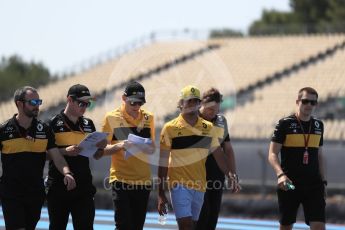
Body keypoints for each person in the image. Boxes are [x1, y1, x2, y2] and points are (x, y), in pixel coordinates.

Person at [157, 85, 240, 230]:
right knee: (186, 226)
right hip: (179, 184)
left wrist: (230, 175)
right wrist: (161, 193)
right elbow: (163, 162)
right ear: (181, 103)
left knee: (198, 225)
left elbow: (220, 154)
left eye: (195, 101)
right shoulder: (169, 128)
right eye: (189, 101)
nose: (192, 105)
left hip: (200, 185)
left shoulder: (208, 127)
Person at [0, 86, 76, 230]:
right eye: (33, 102)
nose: (37, 106)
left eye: (38, 102)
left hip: (35, 192)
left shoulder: (45, 130)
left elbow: (56, 157)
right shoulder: (3, 130)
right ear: (19, 104)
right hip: (11, 192)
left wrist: (67, 173)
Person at [95, 81, 155, 230]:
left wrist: (145, 146)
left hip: (143, 181)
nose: (136, 107)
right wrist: (120, 146)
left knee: (137, 227)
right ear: (123, 98)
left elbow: (152, 148)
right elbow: (100, 151)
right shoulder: (111, 117)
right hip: (120, 179)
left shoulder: (149, 117)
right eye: (133, 102)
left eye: (140, 103)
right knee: (123, 225)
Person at [46, 84, 107, 230]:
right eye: (81, 103)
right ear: (69, 100)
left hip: (84, 187)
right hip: (59, 187)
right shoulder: (51, 123)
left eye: (88, 103)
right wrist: (64, 151)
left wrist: (101, 147)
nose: (85, 107)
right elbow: (43, 156)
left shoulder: (88, 124)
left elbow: (97, 156)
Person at [268, 87, 326, 230]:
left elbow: (319, 155)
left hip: (314, 184)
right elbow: (272, 153)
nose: (309, 105)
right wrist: (280, 175)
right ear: (297, 101)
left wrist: (323, 181)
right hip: (290, 183)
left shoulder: (319, 125)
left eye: (313, 102)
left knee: (319, 225)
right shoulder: (285, 124)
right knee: (286, 225)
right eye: (305, 101)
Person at [196, 88, 240, 230]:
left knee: (212, 215)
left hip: (216, 174)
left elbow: (228, 149)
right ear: (202, 103)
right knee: (202, 214)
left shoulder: (221, 121)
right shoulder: (192, 119)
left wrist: (232, 174)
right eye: (210, 109)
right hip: (196, 174)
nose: (213, 113)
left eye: (216, 109)